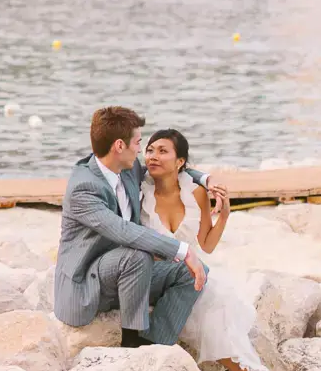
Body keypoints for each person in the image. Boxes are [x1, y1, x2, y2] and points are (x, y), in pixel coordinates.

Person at [141, 128, 274, 371]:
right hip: (155, 276)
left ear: (180, 162)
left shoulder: (197, 193)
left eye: (163, 151)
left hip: (193, 274)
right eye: (150, 149)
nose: (153, 156)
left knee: (214, 307)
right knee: (211, 308)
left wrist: (223, 215)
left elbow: (207, 245)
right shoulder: (140, 188)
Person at [54, 107, 209, 349]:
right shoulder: (83, 188)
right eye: (138, 143)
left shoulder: (127, 169)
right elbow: (123, 231)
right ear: (119, 146)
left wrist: (206, 180)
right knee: (138, 254)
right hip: (90, 284)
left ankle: (155, 344)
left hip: (129, 277)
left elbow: (169, 169)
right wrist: (183, 250)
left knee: (191, 273)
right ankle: (131, 342)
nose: (141, 151)